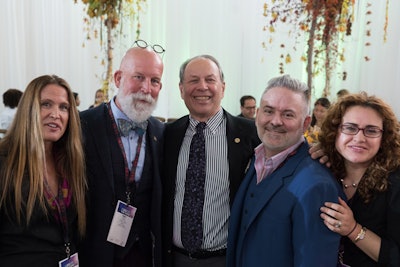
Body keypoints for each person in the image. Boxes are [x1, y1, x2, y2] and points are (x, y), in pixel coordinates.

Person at [226, 74, 343, 267]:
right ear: (257, 114)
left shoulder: (317, 184)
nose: (275, 121)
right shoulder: (255, 158)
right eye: (268, 111)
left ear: (305, 123)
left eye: (288, 114)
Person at [162, 55, 260, 267]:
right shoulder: (167, 136)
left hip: (226, 259)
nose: (202, 87)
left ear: (223, 87)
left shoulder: (251, 134)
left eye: (210, 79)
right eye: (193, 80)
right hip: (174, 259)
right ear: (181, 89)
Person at [79, 42, 165, 267]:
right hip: (95, 254)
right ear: (118, 79)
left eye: (154, 81)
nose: (146, 88)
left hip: (145, 254)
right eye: (138, 77)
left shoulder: (160, 132)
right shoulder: (83, 125)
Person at [0, 75, 87, 266]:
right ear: (28, 109)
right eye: (46, 104)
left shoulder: (71, 162)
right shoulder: (5, 161)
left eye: (63, 107)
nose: (56, 114)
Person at [319, 92, 400, 266]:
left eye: (371, 130)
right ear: (335, 131)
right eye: (350, 128)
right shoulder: (323, 169)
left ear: (384, 137)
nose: (359, 138)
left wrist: (353, 230)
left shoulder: (395, 182)